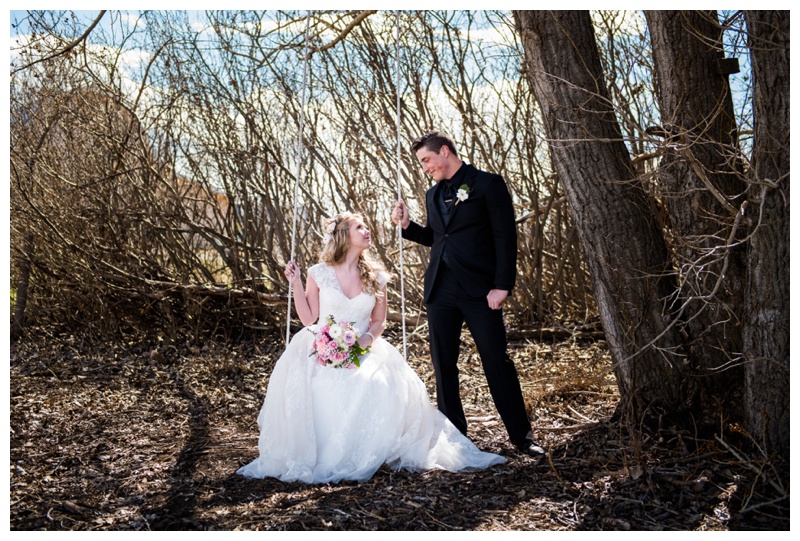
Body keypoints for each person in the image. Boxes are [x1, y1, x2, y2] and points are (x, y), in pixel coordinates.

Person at [237, 212, 505, 483]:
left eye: (366, 226)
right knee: (321, 384)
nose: (367, 231)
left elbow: (378, 321)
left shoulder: (376, 277)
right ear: (343, 235)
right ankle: (327, 454)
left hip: (364, 346)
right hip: (321, 344)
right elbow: (309, 319)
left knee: (372, 382)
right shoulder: (318, 273)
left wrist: (364, 342)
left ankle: (366, 451)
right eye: (359, 227)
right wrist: (294, 283)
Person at [391, 131, 545, 457]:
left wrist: (502, 285)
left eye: (427, 160)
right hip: (440, 291)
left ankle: (522, 436)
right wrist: (408, 226)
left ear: (444, 151)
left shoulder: (489, 184)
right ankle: (455, 437)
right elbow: (438, 237)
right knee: (444, 366)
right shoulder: (433, 195)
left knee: (496, 361)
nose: (425, 168)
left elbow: (505, 238)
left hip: (481, 291)